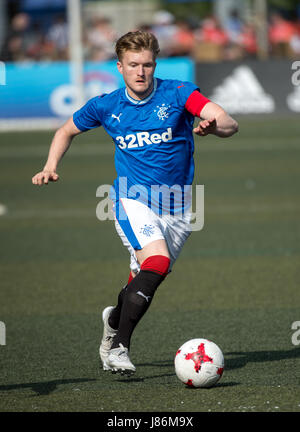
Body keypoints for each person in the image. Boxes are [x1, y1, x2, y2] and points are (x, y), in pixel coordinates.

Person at [32, 31, 238, 375]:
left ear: (154, 65)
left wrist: (213, 126)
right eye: (133, 65)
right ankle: (118, 348)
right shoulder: (106, 105)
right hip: (131, 200)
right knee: (155, 262)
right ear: (120, 67)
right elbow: (64, 131)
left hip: (177, 207)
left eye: (147, 65)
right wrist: (50, 166)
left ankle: (113, 319)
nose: (141, 72)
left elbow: (229, 123)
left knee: (144, 280)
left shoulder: (178, 93)